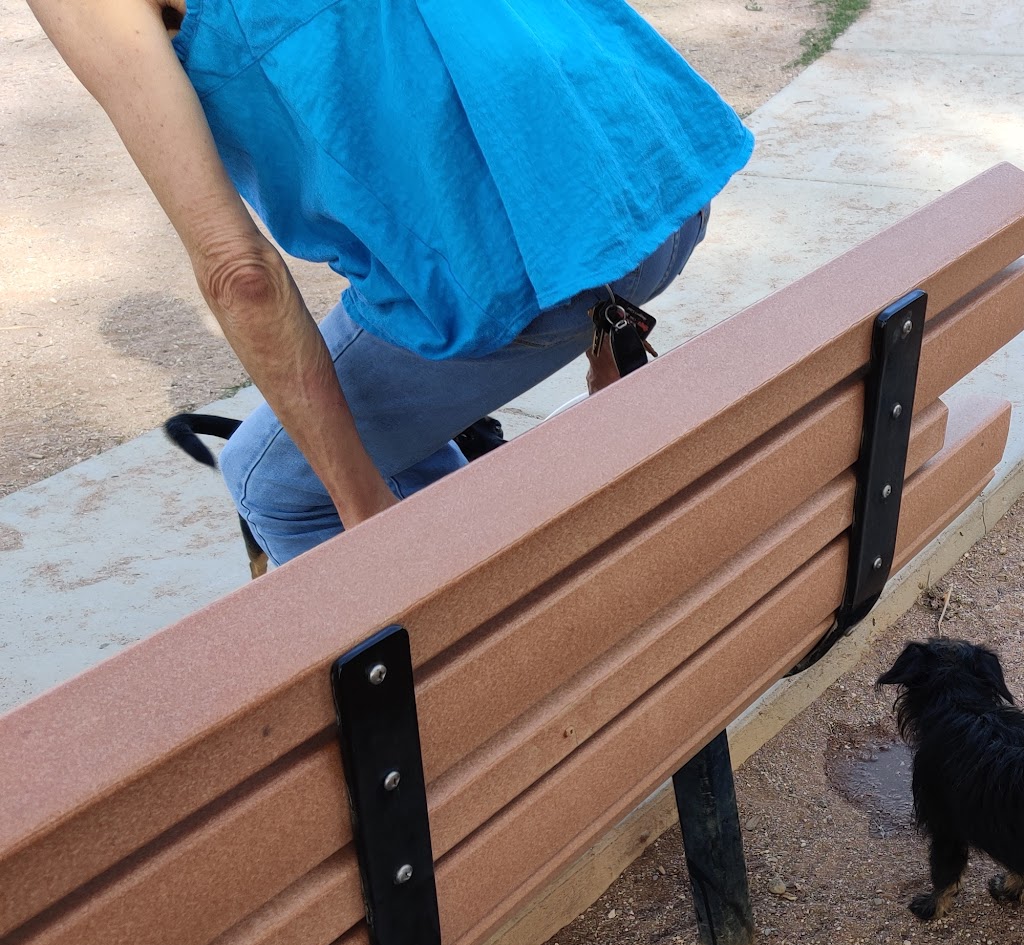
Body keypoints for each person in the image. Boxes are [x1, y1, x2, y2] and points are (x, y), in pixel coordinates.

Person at [27, 0, 752, 564]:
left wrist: (365, 518)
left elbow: (238, 272)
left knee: (273, 484)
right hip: (659, 175)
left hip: (521, 282)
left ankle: (503, 684)